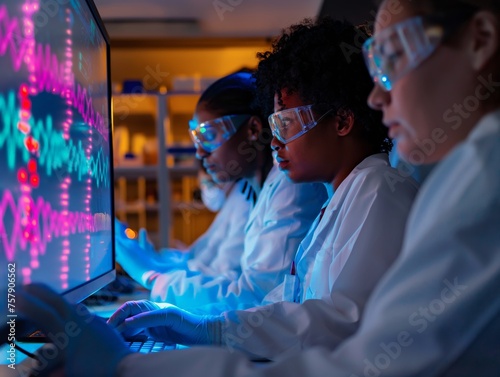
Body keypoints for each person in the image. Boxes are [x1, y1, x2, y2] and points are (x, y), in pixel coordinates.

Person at [13, 0, 500, 375]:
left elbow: (351, 347)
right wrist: (208, 329)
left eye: (395, 57)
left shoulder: (433, 180)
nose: (379, 94)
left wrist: (132, 364)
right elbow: (314, 314)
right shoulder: (374, 189)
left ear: (480, 40)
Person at [107, 18, 419, 361]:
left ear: (342, 121)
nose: (274, 141)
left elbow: (342, 322)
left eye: (285, 123)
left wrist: (208, 328)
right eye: (274, 126)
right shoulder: (341, 197)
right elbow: (287, 302)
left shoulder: (376, 189)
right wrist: (201, 325)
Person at [115, 71, 327, 313]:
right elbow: (217, 268)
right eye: (197, 139)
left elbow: (258, 295)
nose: (200, 153)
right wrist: (155, 266)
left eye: (209, 136)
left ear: (253, 129)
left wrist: (152, 274)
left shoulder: (291, 185)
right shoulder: (255, 188)